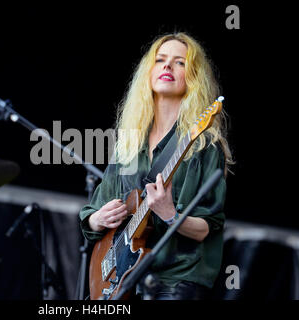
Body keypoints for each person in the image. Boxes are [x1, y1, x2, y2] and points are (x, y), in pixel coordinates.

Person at [79, 32, 234, 300]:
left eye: (180, 62)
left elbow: (208, 226)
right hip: (123, 279)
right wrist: (98, 219)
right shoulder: (128, 145)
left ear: (193, 78)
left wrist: (169, 214)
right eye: (160, 60)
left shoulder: (204, 145)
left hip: (176, 281)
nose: (167, 66)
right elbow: (93, 212)